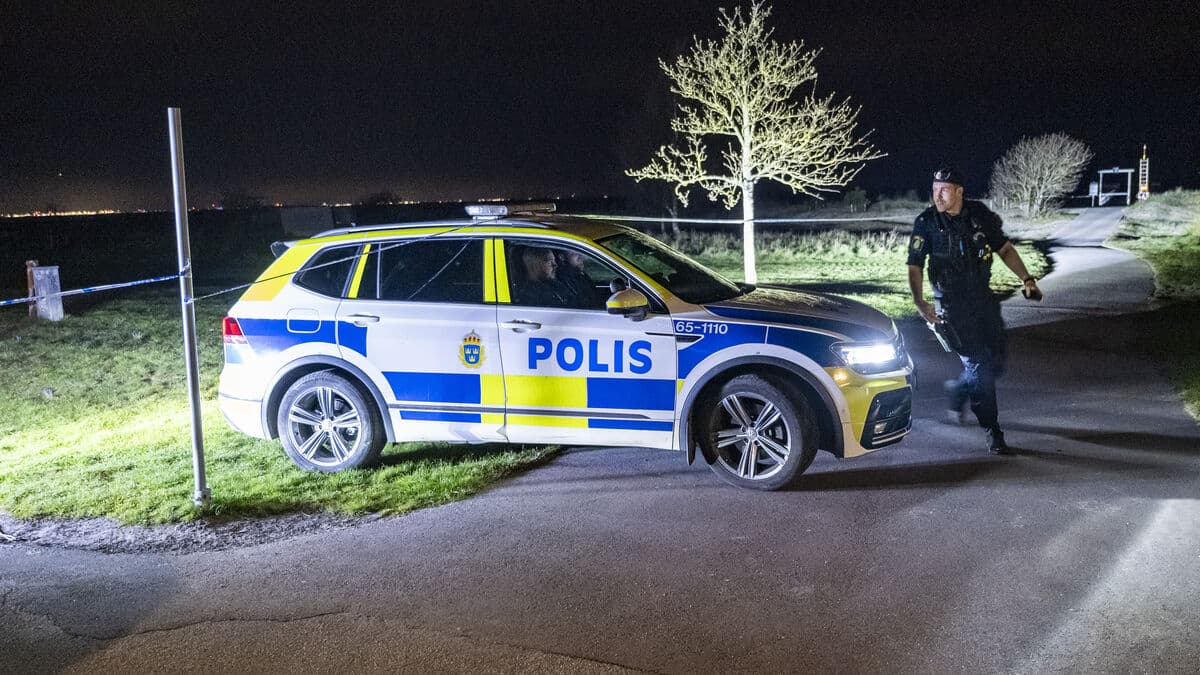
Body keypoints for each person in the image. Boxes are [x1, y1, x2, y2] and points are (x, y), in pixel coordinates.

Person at [907, 168, 1043, 454]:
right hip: (952, 307)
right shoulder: (927, 222)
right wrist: (920, 302)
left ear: (959, 191)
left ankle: (958, 390)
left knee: (995, 363)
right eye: (934, 189)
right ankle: (992, 429)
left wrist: (1027, 280)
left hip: (983, 300)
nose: (937, 195)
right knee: (979, 364)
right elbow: (915, 265)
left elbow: (1004, 249)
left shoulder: (979, 215)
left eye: (943, 189)